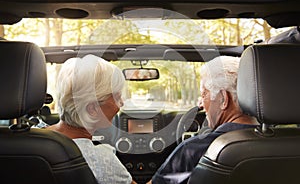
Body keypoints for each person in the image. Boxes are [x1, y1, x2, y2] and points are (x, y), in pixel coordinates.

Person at [150, 56, 258, 184]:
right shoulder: (285, 144)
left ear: (223, 99)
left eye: (204, 94)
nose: (200, 104)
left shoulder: (194, 150)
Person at [47, 54, 135, 184]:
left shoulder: (31, 141)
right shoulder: (101, 161)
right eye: (117, 97)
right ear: (92, 109)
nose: (121, 103)